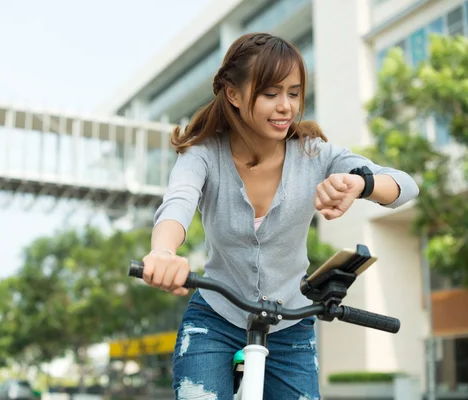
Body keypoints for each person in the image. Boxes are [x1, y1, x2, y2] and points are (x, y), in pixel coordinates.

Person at [141, 32, 419, 399]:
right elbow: (178, 202)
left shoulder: (314, 154)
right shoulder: (203, 154)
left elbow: (406, 186)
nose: (286, 106)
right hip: (215, 317)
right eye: (270, 93)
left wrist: (361, 185)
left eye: (294, 92)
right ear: (234, 94)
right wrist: (163, 252)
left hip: (291, 323)